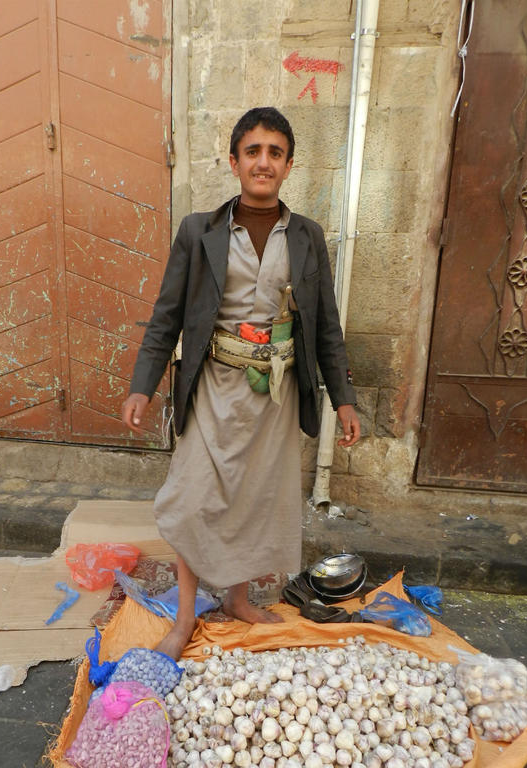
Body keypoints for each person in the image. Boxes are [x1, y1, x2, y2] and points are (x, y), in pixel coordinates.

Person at [122, 107, 360, 659]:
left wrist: (343, 399)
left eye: (275, 153)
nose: (263, 162)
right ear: (234, 162)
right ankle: (184, 618)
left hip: (274, 395)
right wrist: (143, 383)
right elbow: (166, 316)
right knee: (195, 498)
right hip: (213, 386)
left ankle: (236, 599)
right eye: (253, 151)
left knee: (253, 499)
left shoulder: (306, 237)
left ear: (289, 165)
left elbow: (326, 324)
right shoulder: (198, 231)